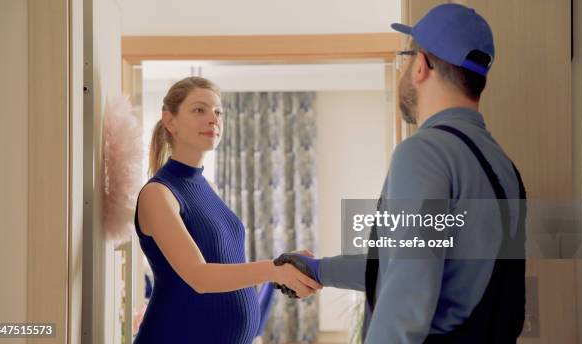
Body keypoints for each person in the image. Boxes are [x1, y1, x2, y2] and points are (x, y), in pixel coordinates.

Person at [276, 4, 526, 343]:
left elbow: (407, 295)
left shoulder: (425, 152)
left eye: (406, 58)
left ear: (420, 65)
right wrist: (318, 269)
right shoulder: (500, 166)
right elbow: (412, 260)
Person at [133, 76, 322, 343]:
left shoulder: (209, 187)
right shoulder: (158, 193)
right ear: (170, 121)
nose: (213, 119)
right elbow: (199, 276)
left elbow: (227, 264)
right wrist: (273, 269)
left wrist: (283, 266)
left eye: (218, 112)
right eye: (199, 110)